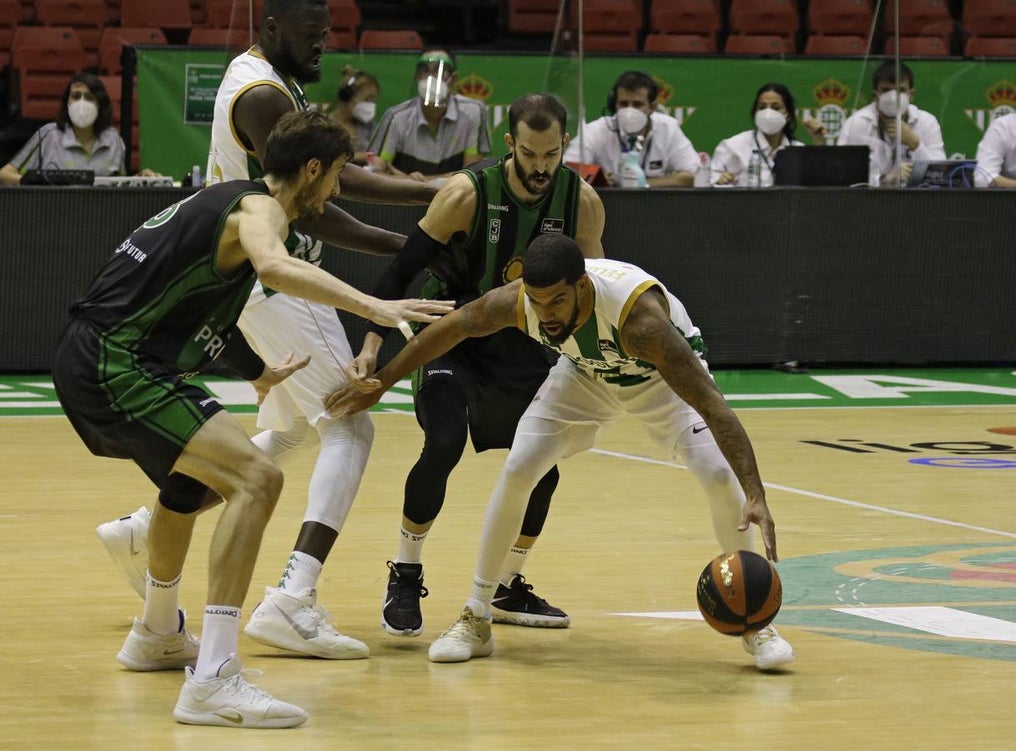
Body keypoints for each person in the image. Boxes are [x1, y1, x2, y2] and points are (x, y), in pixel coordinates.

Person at [53, 110, 452, 728]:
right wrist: (372, 302)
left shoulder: (221, 203)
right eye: (339, 174)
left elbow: (202, 300)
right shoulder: (259, 209)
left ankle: (157, 631)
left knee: (190, 487)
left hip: (102, 357)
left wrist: (256, 372)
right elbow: (270, 267)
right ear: (312, 169)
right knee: (258, 479)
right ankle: (213, 678)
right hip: (116, 361)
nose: (339, 189)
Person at [95, 0, 438, 662]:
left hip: (254, 283)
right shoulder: (258, 96)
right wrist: (432, 208)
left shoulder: (267, 79)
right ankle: (292, 597)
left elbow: (324, 193)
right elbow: (318, 206)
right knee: (351, 423)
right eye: (312, 35)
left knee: (292, 428)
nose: (323, 47)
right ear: (272, 27)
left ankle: (145, 528)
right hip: (273, 281)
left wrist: (418, 222)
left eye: (328, 35)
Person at [326, 234, 795, 672]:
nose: (545, 314)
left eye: (558, 301)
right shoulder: (521, 301)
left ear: (583, 286)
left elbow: (714, 406)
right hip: (586, 378)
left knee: (717, 474)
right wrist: (382, 382)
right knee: (520, 466)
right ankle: (477, 615)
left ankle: (756, 621)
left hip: (658, 385)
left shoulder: (642, 322)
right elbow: (453, 329)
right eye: (536, 301)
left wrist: (755, 492)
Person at [345, 93, 605, 637]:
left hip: (528, 345)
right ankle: (406, 570)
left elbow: (596, 288)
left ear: (564, 147)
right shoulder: (465, 194)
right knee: (443, 441)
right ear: (509, 144)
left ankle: (508, 586)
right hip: (454, 335)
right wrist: (371, 345)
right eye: (531, 153)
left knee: (543, 466)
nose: (541, 166)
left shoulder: (580, 201)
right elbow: (399, 275)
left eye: (552, 154)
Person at [366, 48, 491, 183]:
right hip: (404, 199)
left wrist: (416, 181)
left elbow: (471, 175)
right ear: (417, 77)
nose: (431, 79)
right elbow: (374, 173)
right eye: (425, 71)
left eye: (440, 72)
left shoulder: (474, 112)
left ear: (454, 79)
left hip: (452, 197)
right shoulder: (396, 117)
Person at [563, 70, 700, 188]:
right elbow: (568, 170)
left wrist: (641, 184)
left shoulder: (668, 128)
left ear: (652, 107)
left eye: (637, 104)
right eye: (623, 104)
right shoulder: (596, 130)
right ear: (614, 106)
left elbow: (693, 175)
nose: (629, 110)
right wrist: (595, 179)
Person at [0, 73, 127, 184]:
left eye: (89, 97)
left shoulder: (113, 139)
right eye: (76, 96)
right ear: (68, 103)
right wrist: (32, 183)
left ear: (99, 104)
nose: (81, 103)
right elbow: (4, 174)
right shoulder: (49, 135)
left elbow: (123, 186)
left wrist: (142, 178)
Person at [837, 60, 945, 187]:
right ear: (875, 95)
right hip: (871, 201)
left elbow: (943, 176)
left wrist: (915, 144)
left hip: (917, 201)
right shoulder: (856, 123)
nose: (893, 98)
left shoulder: (927, 122)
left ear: (911, 94)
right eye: (886, 90)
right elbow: (842, 176)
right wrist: (884, 180)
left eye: (901, 90)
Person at [709, 83, 826, 187]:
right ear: (755, 112)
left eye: (776, 108)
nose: (768, 113)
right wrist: (719, 182)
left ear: (788, 114)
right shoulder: (734, 146)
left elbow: (818, 186)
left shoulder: (798, 151)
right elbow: (711, 182)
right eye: (762, 107)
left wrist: (818, 140)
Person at [325, 65, 380, 166]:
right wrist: (362, 156)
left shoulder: (368, 126)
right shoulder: (325, 126)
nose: (371, 105)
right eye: (367, 99)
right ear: (347, 97)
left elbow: (378, 156)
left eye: (373, 100)